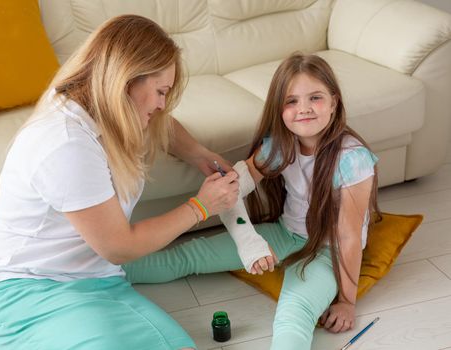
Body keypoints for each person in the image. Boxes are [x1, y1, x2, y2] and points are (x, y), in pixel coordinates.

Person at [0, 14, 241, 350]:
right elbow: (118, 247)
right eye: (160, 91)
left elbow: (164, 125)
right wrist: (201, 206)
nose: (161, 103)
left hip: (97, 280)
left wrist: (197, 154)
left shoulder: (105, 109)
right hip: (25, 290)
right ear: (126, 79)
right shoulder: (67, 142)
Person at [123, 53, 381, 350]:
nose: (305, 109)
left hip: (328, 250)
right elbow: (229, 192)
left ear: (334, 102)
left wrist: (347, 301)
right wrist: (249, 243)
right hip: (288, 233)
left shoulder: (353, 159)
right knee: (187, 256)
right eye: (292, 101)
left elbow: (348, 237)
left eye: (316, 98)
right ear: (279, 109)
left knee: (293, 312)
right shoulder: (281, 147)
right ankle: (98, 273)